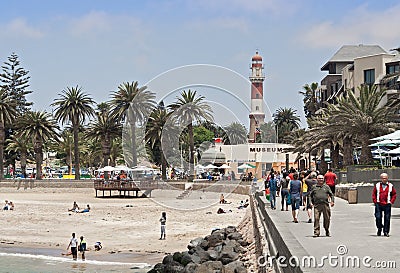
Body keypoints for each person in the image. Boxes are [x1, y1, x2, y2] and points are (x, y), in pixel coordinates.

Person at [372, 173, 397, 237]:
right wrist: (375, 201)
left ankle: (386, 231)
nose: (384, 179)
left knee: (387, 218)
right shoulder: (377, 185)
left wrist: (391, 201)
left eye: (385, 178)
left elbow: (394, 194)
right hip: (378, 204)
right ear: (381, 179)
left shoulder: (391, 185)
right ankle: (379, 228)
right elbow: (374, 193)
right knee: (378, 217)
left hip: (387, 204)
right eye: (383, 178)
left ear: (387, 178)